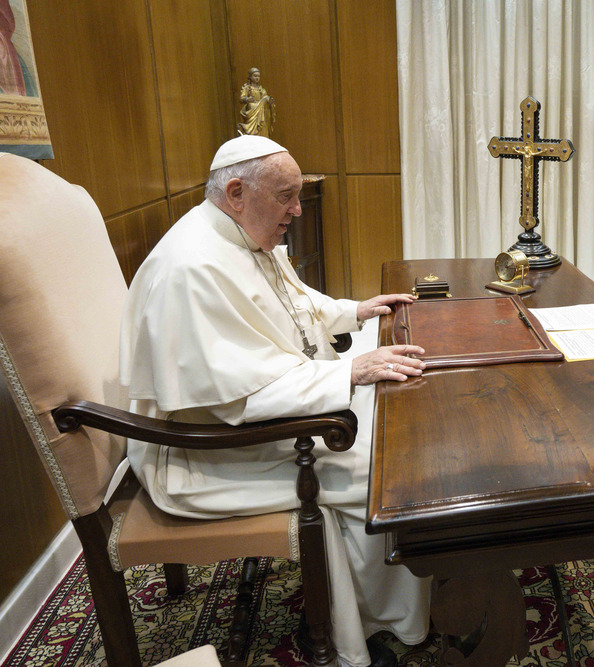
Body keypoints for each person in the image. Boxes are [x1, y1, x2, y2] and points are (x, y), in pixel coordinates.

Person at [120, 135, 428, 667]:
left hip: (250, 419)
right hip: (203, 453)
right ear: (237, 192)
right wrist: (348, 374)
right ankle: (380, 626)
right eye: (286, 196)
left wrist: (354, 311)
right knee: (387, 470)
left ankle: (398, 592)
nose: (297, 209)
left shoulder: (237, 235)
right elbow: (239, 400)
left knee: (397, 412)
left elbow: (292, 301)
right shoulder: (191, 269)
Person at [238, 67, 275, 137]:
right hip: (252, 109)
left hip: (261, 111)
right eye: (255, 76)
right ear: (250, 76)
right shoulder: (247, 88)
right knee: (253, 105)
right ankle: (250, 130)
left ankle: (263, 134)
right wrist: (247, 99)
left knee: (265, 109)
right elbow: (241, 98)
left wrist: (270, 101)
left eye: (258, 76)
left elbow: (265, 98)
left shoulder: (261, 89)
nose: (257, 78)